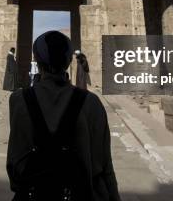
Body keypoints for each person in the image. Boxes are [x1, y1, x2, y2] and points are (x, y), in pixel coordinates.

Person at [7, 31, 120, 201]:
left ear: (37, 61)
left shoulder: (19, 100)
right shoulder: (91, 103)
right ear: (68, 62)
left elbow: (15, 166)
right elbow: (104, 166)